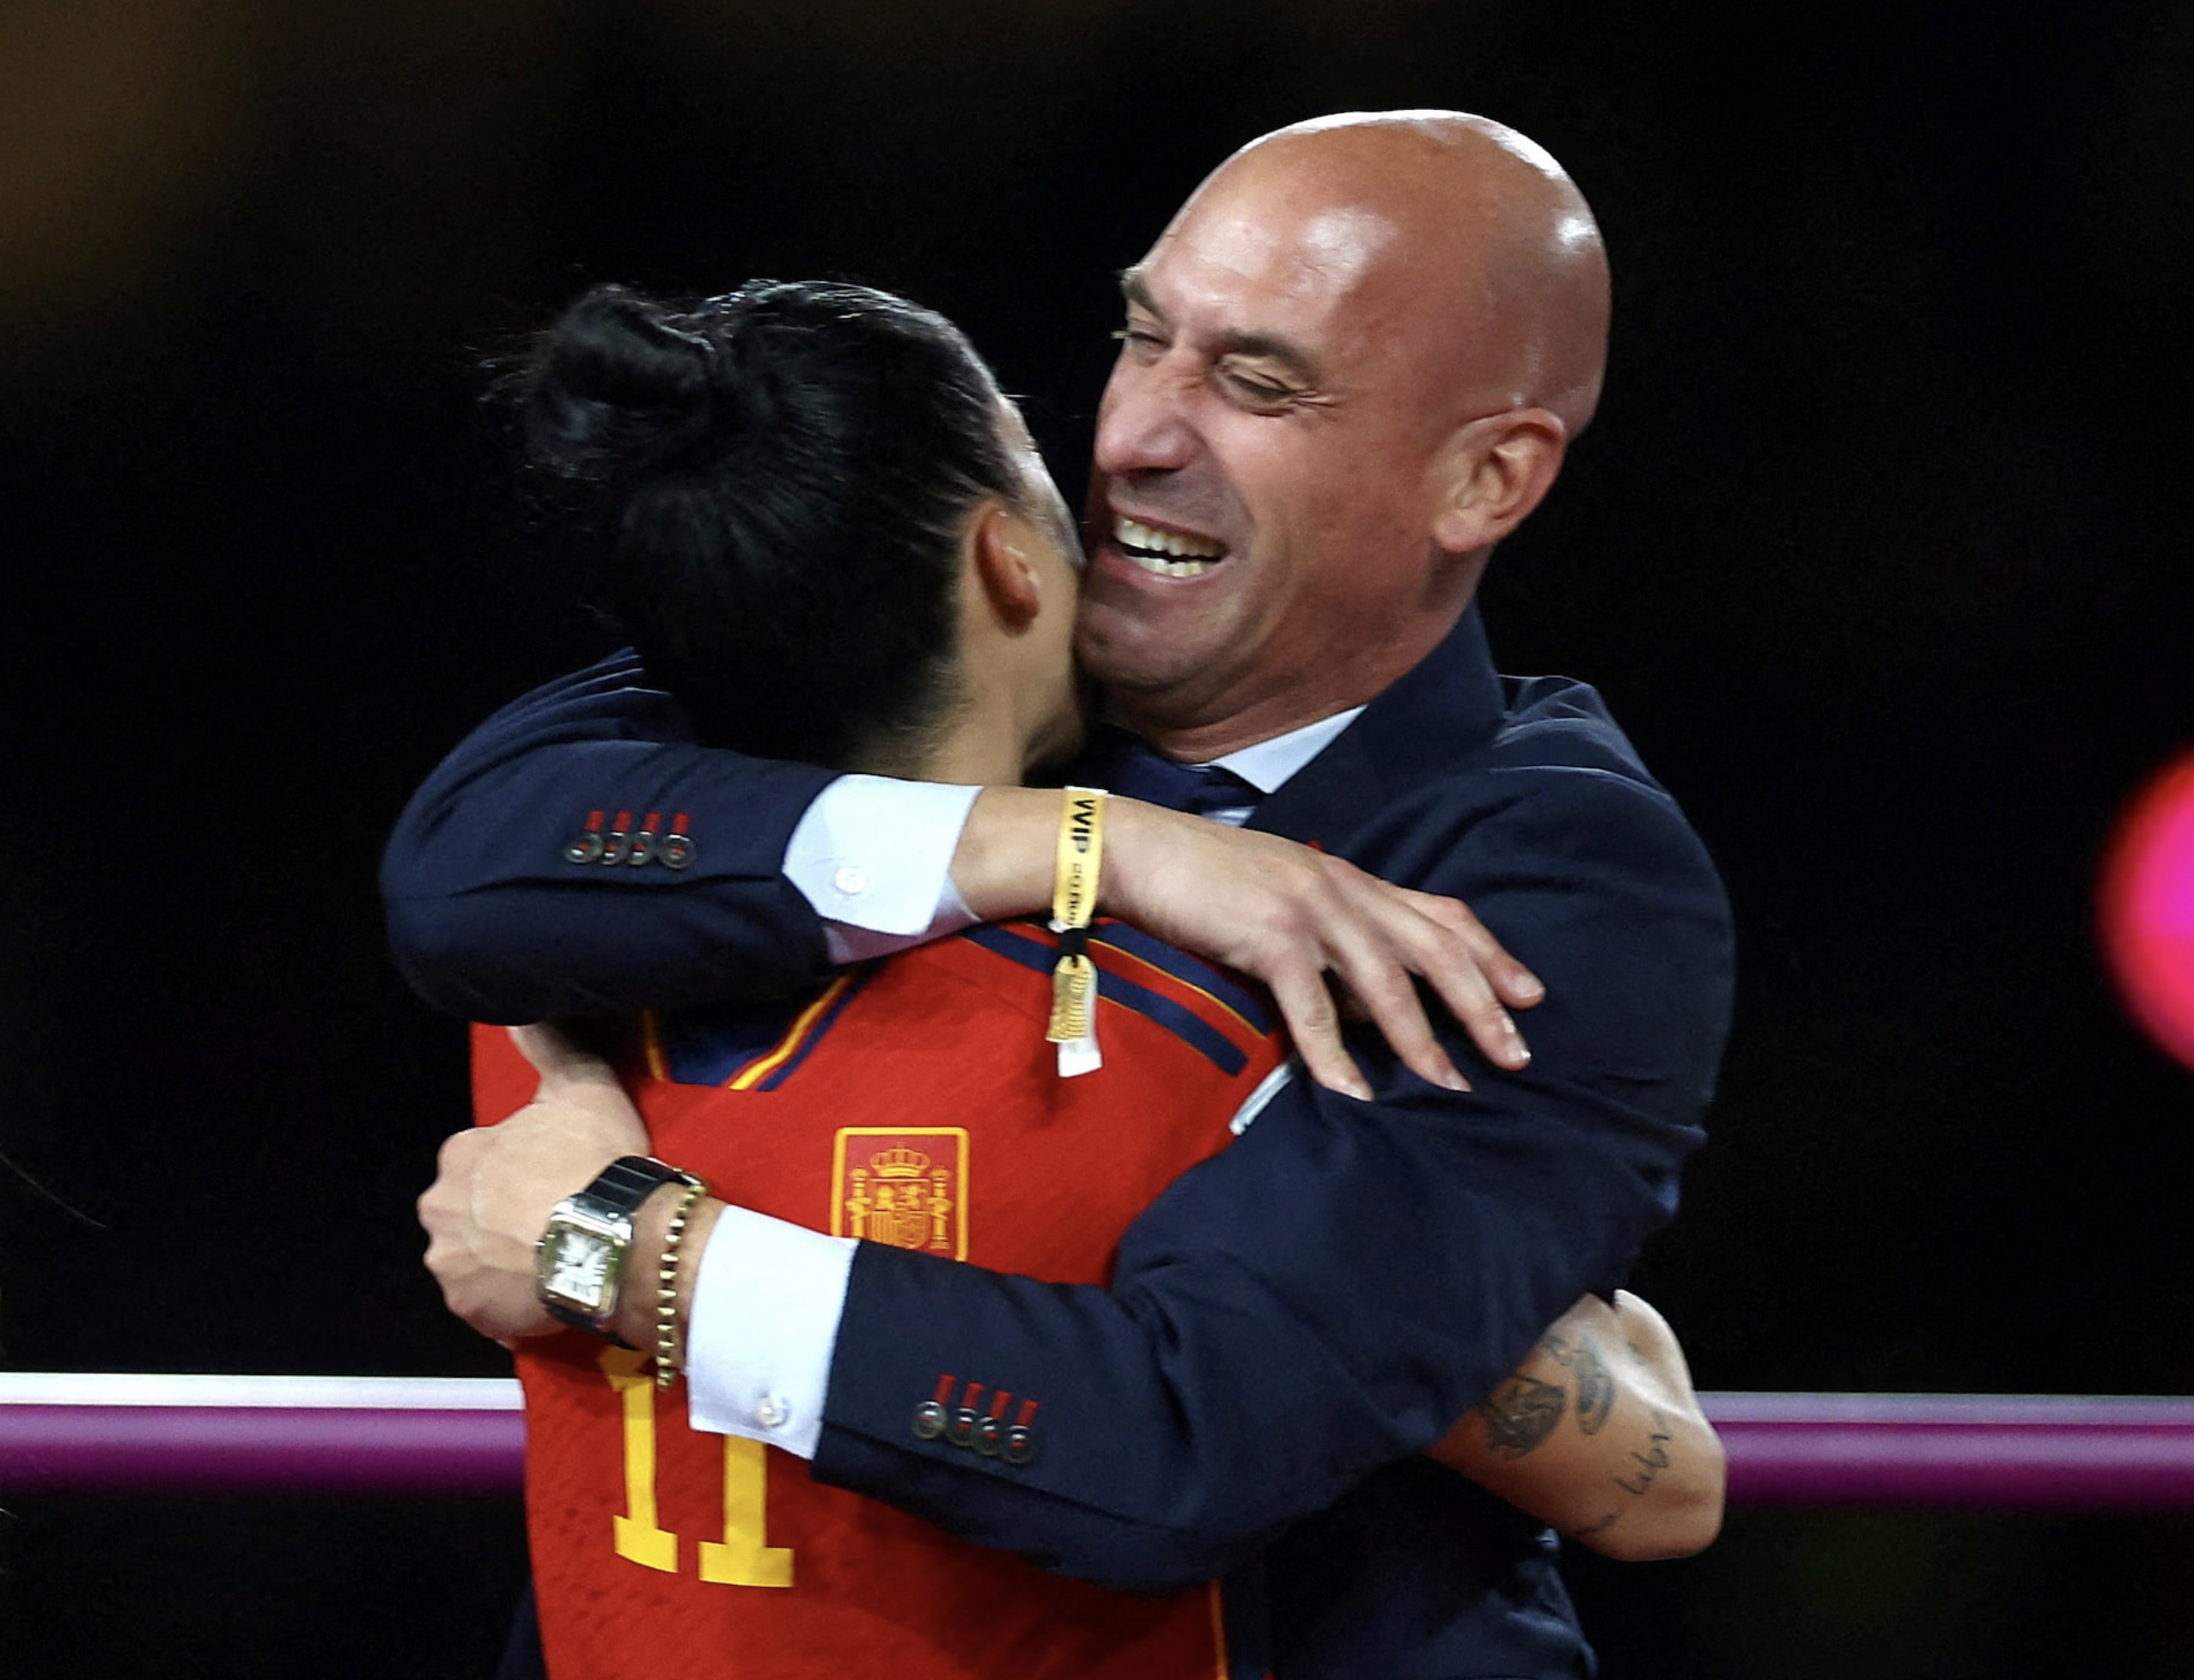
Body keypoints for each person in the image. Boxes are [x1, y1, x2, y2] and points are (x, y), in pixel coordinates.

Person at [399, 110, 1734, 1676]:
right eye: (1142, 336)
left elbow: (1180, 1437)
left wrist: (624, 1250)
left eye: (1254, 382)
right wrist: (1082, 844)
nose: (1130, 439)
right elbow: (464, 863)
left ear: (1483, 477)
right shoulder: (964, 645)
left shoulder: (1554, 873)